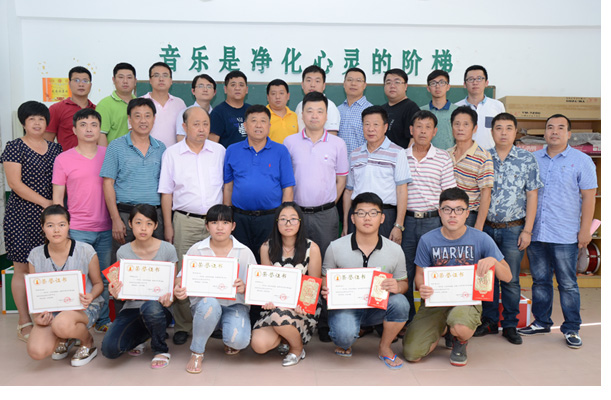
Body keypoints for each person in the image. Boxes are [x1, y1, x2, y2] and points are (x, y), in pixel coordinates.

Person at [403, 187, 511, 366]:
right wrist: (422, 287)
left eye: (459, 210)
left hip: (467, 300)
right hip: (436, 301)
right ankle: (444, 328)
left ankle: (459, 340)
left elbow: (507, 276)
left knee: (460, 326)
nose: (452, 215)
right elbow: (420, 275)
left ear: (467, 213)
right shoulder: (427, 240)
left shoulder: (481, 238)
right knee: (412, 353)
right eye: (447, 209)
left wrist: (493, 261)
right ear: (440, 212)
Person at [518, 114, 597, 349]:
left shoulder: (582, 161)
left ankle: (572, 328)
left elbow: (589, 197)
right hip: (537, 232)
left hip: (565, 233)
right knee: (540, 281)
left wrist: (585, 230)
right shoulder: (533, 159)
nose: (554, 131)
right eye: (550, 127)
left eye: (561, 128)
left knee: (568, 283)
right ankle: (541, 322)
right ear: (544, 132)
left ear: (569, 134)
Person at [472, 113, 542, 344]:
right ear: (492, 132)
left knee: (510, 279)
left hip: (514, 229)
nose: (503, 132)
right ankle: (489, 322)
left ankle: (510, 324)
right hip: (486, 229)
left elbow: (532, 195)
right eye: (499, 128)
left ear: (515, 131)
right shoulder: (483, 157)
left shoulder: (526, 159)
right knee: (487, 276)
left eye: (508, 128)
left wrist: (527, 230)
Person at [158, 106, 225, 346]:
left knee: (216, 271)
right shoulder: (172, 154)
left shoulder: (219, 151)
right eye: (196, 124)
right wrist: (168, 225)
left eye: (205, 124)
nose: (201, 129)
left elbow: (227, 186)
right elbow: (166, 192)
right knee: (183, 273)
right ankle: (184, 325)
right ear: (184, 127)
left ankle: (213, 321)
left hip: (215, 222)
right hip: (184, 220)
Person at [322, 192, 410, 369]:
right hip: (346, 306)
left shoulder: (395, 250)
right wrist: (326, 288)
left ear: (382, 218)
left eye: (373, 213)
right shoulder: (335, 247)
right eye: (361, 213)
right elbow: (325, 278)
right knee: (344, 337)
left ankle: (384, 347)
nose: (367, 218)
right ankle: (346, 339)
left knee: (401, 303)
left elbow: (404, 283)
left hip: (378, 307)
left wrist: (398, 286)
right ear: (353, 218)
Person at [1, 101, 62, 342]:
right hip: (21, 215)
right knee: (22, 268)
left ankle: (46, 317)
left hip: (51, 218)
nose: (37, 123)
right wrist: (46, 203)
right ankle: (24, 320)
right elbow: (14, 184)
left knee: (47, 267)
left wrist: (54, 208)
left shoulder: (56, 149)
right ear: (23, 123)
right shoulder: (14, 147)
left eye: (41, 119)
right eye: (31, 119)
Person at [173, 204, 255, 373]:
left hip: (235, 305)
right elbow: (181, 278)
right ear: (207, 226)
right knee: (209, 304)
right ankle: (197, 352)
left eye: (225, 222)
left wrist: (245, 287)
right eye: (214, 222)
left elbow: (255, 287)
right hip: (205, 306)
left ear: (233, 226)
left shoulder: (244, 252)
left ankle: (226, 332)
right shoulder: (197, 249)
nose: (219, 227)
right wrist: (178, 287)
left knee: (239, 341)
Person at [52, 108, 113, 333]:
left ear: (100, 129)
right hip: (77, 229)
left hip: (106, 228)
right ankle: (73, 323)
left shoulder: (109, 154)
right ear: (74, 129)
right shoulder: (63, 159)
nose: (89, 129)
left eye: (94, 125)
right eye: (83, 124)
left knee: (104, 278)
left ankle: (103, 320)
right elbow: (58, 199)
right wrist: (62, 229)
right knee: (76, 279)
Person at [26, 205, 103, 366]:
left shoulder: (86, 250)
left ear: (69, 225)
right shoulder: (35, 255)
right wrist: (37, 317)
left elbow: (98, 284)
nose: (56, 230)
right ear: (43, 228)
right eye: (50, 225)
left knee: (61, 324)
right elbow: (35, 294)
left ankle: (87, 342)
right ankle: (65, 337)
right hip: (52, 310)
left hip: (84, 307)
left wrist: (91, 296)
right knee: (36, 351)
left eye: (61, 224)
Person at [101, 204, 176, 368]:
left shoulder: (168, 249)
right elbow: (119, 285)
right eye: (138, 222)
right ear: (130, 224)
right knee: (109, 349)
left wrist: (171, 297)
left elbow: (172, 285)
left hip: (158, 308)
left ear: (156, 226)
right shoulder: (123, 252)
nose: (143, 228)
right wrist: (116, 291)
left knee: (151, 307)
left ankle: (160, 349)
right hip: (132, 307)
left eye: (149, 223)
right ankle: (144, 335)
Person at [251, 202, 322, 367]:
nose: (288, 223)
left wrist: (303, 304)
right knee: (259, 345)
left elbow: (313, 284)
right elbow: (266, 282)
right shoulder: (266, 247)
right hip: (275, 306)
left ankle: (297, 349)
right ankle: (285, 337)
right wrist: (267, 300)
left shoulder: (312, 248)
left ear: (300, 222)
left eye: (293, 219)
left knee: (279, 316)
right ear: (276, 223)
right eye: (283, 219)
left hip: (301, 307)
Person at [402, 110, 456, 322]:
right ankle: (408, 319)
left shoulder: (442, 157)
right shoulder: (401, 156)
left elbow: (449, 195)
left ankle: (435, 320)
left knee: (436, 271)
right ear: (411, 130)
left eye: (428, 127)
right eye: (419, 126)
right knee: (405, 270)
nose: (422, 131)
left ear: (435, 132)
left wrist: (447, 224)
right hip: (407, 221)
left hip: (434, 221)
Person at [223, 104, 295, 258]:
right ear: (245, 126)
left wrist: (284, 217)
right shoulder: (232, 150)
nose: (258, 125)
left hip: (270, 218)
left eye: (263, 121)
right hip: (239, 218)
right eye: (253, 120)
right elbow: (228, 186)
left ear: (269, 126)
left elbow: (288, 188)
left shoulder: (281, 151)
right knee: (240, 259)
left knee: (268, 260)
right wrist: (227, 215)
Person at [100, 98, 166, 264]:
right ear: (129, 119)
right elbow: (107, 183)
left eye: (147, 116)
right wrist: (115, 219)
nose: (143, 120)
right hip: (125, 215)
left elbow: (166, 186)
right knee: (121, 266)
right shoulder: (115, 146)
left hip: (154, 216)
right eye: (137, 116)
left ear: (154, 119)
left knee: (156, 266)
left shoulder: (161, 148)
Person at [283, 91, 348, 258]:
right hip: (296, 213)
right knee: (295, 258)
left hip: (325, 215)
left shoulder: (338, 144)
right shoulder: (289, 142)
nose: (314, 116)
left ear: (326, 116)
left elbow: (341, 180)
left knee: (327, 258)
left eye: (320, 111)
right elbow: (284, 179)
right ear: (302, 115)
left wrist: (328, 203)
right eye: (310, 111)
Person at [343, 106, 410, 244]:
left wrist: (398, 225)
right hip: (358, 214)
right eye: (366, 124)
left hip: (385, 215)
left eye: (375, 124)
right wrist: (345, 224)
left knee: (384, 255)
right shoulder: (355, 154)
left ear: (385, 127)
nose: (370, 129)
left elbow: (402, 190)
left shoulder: (398, 152)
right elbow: (349, 191)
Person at [448, 106, 493, 230]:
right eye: (457, 124)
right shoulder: (446, 154)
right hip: (446, 215)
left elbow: (486, 195)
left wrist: (478, 226)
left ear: (475, 128)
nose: (460, 128)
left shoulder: (483, 156)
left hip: (469, 217)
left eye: (466, 124)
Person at [44, 66, 96, 151]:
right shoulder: (56, 109)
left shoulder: (97, 109)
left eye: (85, 81)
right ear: (69, 84)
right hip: (66, 158)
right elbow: (48, 139)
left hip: (93, 157)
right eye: (76, 80)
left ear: (90, 85)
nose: (81, 84)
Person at [456, 65, 505, 150]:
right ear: (464, 84)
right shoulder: (456, 107)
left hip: (490, 155)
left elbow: (502, 132)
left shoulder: (497, 106)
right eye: (471, 79)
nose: (475, 82)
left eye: (479, 78)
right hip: (464, 155)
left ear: (486, 83)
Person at [141, 61, 187, 148]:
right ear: (150, 80)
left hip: (173, 154)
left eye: (165, 75)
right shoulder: (139, 103)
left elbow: (185, 132)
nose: (161, 79)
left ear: (171, 81)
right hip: (146, 153)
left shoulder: (179, 103)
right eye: (156, 75)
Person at [95, 62, 137, 145]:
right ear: (113, 80)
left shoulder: (140, 103)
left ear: (135, 81)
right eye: (121, 77)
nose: (125, 81)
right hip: (114, 152)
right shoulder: (104, 105)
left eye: (129, 77)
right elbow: (101, 134)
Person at [209, 70, 251, 147]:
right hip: (227, 154)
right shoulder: (218, 112)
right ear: (225, 89)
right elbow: (213, 145)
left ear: (246, 89)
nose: (237, 88)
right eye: (233, 85)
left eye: (241, 85)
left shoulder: (252, 111)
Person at [337, 67, 373, 158]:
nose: (353, 83)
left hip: (362, 162)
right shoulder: (337, 110)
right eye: (349, 80)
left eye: (358, 80)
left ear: (364, 85)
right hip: (339, 163)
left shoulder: (371, 111)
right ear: (344, 84)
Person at [381, 68, 420, 149]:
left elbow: (414, 139)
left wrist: (406, 156)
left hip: (401, 155)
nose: (392, 86)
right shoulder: (381, 110)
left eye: (397, 82)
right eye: (388, 82)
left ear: (405, 86)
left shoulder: (411, 108)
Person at [295, 65, 340, 135]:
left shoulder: (330, 106)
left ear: (324, 86)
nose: (312, 85)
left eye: (317, 81)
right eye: (309, 80)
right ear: (302, 84)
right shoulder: (300, 105)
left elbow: (331, 137)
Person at [420, 69, 458, 150]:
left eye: (441, 82)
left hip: (450, 155)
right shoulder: (421, 111)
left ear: (448, 87)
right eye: (433, 83)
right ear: (428, 88)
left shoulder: (457, 111)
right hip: (426, 156)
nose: (437, 86)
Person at [175, 73, 217, 140]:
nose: (205, 90)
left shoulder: (217, 114)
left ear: (214, 92)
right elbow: (181, 140)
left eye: (209, 86)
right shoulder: (184, 113)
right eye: (201, 86)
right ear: (193, 91)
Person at [267, 79, 298, 144]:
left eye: (281, 93)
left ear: (288, 96)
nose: (277, 97)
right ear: (268, 97)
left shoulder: (295, 116)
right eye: (273, 94)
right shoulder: (263, 116)